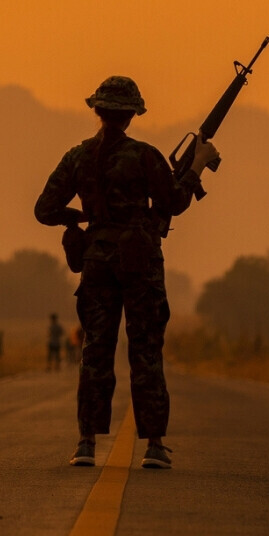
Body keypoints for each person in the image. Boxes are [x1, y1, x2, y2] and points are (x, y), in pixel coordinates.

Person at [35, 76, 218, 469]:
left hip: (97, 260)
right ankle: (153, 445)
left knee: (94, 350)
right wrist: (197, 166)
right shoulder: (145, 156)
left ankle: (85, 442)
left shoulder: (77, 156)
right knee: (146, 349)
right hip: (139, 261)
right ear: (132, 114)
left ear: (98, 111)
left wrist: (88, 217)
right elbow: (174, 202)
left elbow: (44, 209)